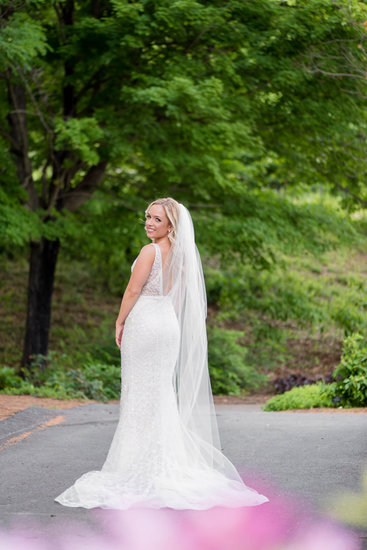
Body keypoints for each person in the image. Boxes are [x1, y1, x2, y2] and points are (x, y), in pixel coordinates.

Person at [55, 197, 268, 509]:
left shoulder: (149, 251)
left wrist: (119, 320)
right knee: (161, 394)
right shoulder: (182, 255)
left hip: (144, 324)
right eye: (147, 217)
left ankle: (134, 465)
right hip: (167, 325)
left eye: (156, 219)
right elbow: (179, 296)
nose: (149, 223)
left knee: (139, 393)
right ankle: (164, 462)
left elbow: (132, 290)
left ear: (171, 225)